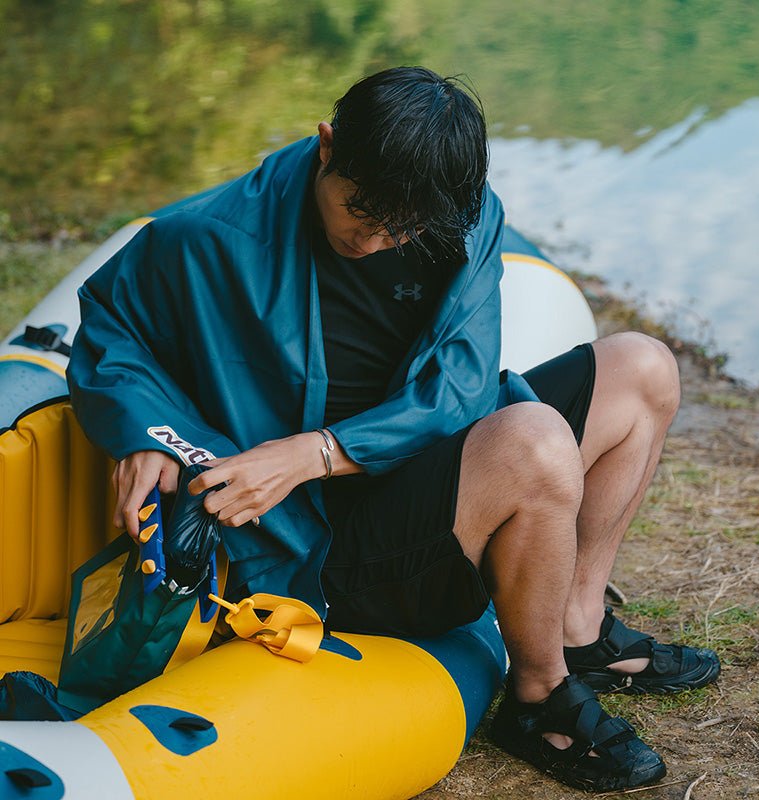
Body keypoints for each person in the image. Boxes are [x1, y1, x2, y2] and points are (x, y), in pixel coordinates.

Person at [67, 66, 719, 792]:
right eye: (361, 212)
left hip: (415, 473)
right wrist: (142, 434)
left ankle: (578, 626)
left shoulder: (461, 218)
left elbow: (465, 388)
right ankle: (538, 698)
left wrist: (315, 452)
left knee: (643, 366)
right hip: (325, 548)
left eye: (402, 226)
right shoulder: (207, 237)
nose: (378, 240)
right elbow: (111, 327)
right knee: (535, 441)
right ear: (326, 146)